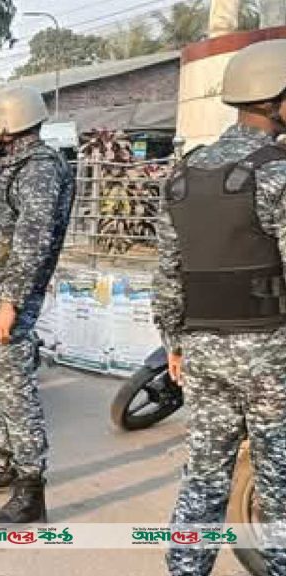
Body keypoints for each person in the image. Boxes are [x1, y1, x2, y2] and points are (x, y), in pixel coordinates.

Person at [154, 39, 286, 576]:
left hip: (203, 350)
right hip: (270, 355)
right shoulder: (278, 172)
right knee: (278, 483)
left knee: (204, 475)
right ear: (276, 99)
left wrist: (174, 344)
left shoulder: (185, 174)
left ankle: (185, 567)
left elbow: (167, 273)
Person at [0, 86, 73, 524]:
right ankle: (6, 460)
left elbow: (32, 242)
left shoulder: (39, 168)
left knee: (15, 390)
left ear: (8, 123)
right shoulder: (11, 161)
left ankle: (30, 489)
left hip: (9, 293)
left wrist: (10, 304)